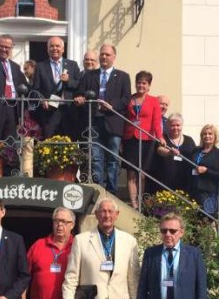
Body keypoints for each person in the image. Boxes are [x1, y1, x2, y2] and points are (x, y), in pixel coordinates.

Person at [74, 44, 131, 194]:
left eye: (107, 55)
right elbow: (80, 93)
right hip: (94, 121)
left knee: (113, 158)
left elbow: (126, 99)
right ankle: (98, 188)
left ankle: (112, 190)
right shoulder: (89, 75)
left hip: (113, 123)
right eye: (102, 54)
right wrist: (79, 98)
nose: (104, 57)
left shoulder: (123, 76)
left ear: (114, 57)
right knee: (96, 158)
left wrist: (111, 105)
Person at [123, 71, 164, 209]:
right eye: (139, 82)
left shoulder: (153, 101)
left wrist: (160, 136)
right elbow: (124, 119)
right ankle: (133, 203)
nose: (141, 85)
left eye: (144, 83)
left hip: (146, 139)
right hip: (130, 138)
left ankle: (140, 201)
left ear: (149, 86)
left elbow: (156, 121)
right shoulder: (129, 99)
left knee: (142, 173)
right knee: (131, 172)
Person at [32, 36, 81, 139]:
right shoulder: (40, 66)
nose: (55, 49)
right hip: (50, 111)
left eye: (57, 46)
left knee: (69, 143)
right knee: (49, 142)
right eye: (51, 46)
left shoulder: (72, 65)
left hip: (69, 110)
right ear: (47, 49)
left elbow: (79, 86)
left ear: (63, 49)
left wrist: (68, 81)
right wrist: (42, 99)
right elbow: (35, 89)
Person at [190, 124, 219, 217]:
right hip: (193, 190)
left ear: (215, 137)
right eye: (204, 134)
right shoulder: (195, 151)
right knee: (192, 219)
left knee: (206, 220)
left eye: (210, 134)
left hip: (208, 193)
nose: (207, 136)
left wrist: (206, 170)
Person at [153, 113, 196, 194]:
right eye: (172, 125)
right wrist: (169, 152)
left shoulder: (189, 140)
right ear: (168, 126)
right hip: (165, 181)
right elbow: (159, 149)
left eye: (178, 125)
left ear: (182, 125)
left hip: (184, 181)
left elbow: (194, 156)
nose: (175, 128)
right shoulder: (163, 138)